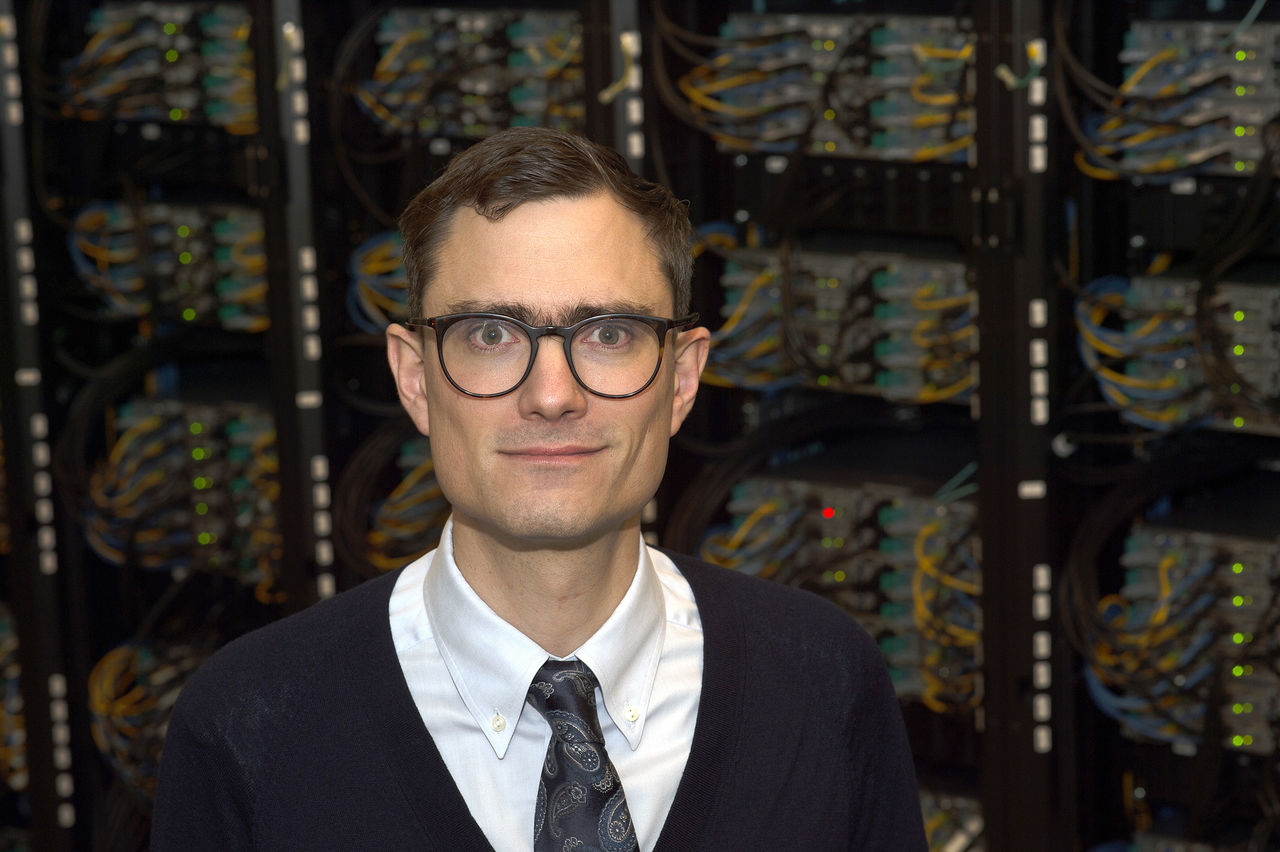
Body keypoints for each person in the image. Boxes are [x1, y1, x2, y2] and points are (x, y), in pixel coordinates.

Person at [152, 126, 927, 851]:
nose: (552, 395)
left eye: (609, 334)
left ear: (683, 380)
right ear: (415, 380)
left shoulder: (824, 682)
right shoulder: (248, 725)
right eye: (491, 335)